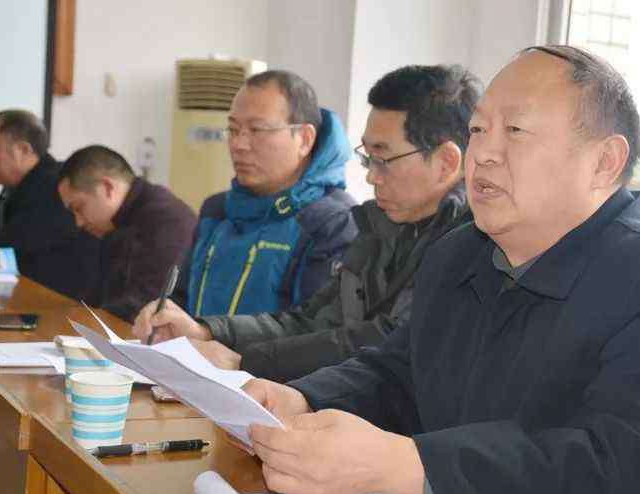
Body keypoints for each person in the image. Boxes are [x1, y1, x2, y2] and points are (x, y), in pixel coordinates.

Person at [238, 46, 640, 494]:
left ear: (604, 163)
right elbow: (401, 372)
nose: (482, 153)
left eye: (515, 130)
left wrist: (416, 467)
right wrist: (303, 398)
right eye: (478, 129)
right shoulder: (459, 253)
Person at [132, 65, 479, 382]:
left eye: (384, 159)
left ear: (447, 163)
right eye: (367, 158)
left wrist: (244, 361)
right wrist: (208, 332)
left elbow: (385, 341)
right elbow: (313, 320)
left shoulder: (472, 245)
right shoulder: (380, 227)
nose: (371, 177)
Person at [171, 70, 358, 319]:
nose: (238, 145)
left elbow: (313, 331)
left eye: (257, 130)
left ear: (304, 139)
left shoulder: (333, 224)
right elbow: (181, 299)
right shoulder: (217, 210)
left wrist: (209, 336)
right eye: (233, 129)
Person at [0, 109, 99, 299]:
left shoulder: (55, 186)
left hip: (64, 303)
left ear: (24, 150)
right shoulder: (19, 185)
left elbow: (9, 244)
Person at [57, 145, 197, 321]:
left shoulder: (168, 220)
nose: (78, 222)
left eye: (79, 208)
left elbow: (147, 306)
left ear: (107, 187)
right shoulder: (114, 223)